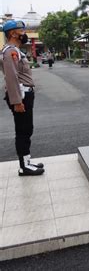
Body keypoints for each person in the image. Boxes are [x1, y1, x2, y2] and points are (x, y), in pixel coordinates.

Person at [0, 20, 45, 176]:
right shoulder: (10, 51)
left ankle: (26, 161)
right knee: (23, 130)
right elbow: (11, 78)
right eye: (22, 30)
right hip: (21, 95)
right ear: (12, 33)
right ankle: (23, 166)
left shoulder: (15, 51)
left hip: (24, 94)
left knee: (26, 129)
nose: (24, 33)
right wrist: (17, 101)